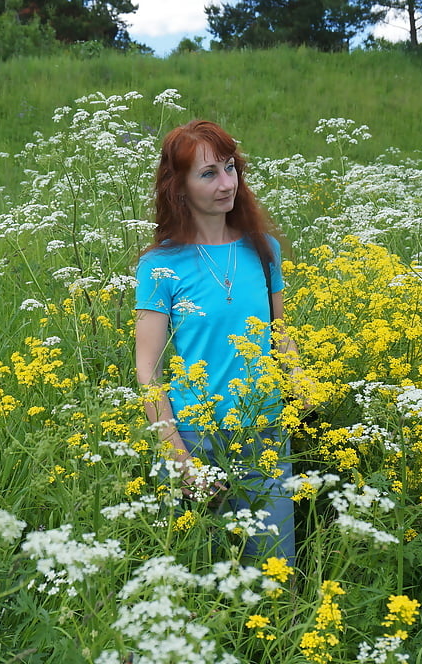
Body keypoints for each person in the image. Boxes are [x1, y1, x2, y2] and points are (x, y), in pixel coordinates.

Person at [134, 120, 296, 565]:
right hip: (197, 438)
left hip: (263, 429)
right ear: (179, 188)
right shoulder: (160, 265)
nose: (227, 183)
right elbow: (147, 368)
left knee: (277, 572)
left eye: (230, 168)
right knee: (206, 579)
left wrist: (301, 383)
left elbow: (279, 331)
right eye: (208, 173)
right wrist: (178, 456)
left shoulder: (263, 249)